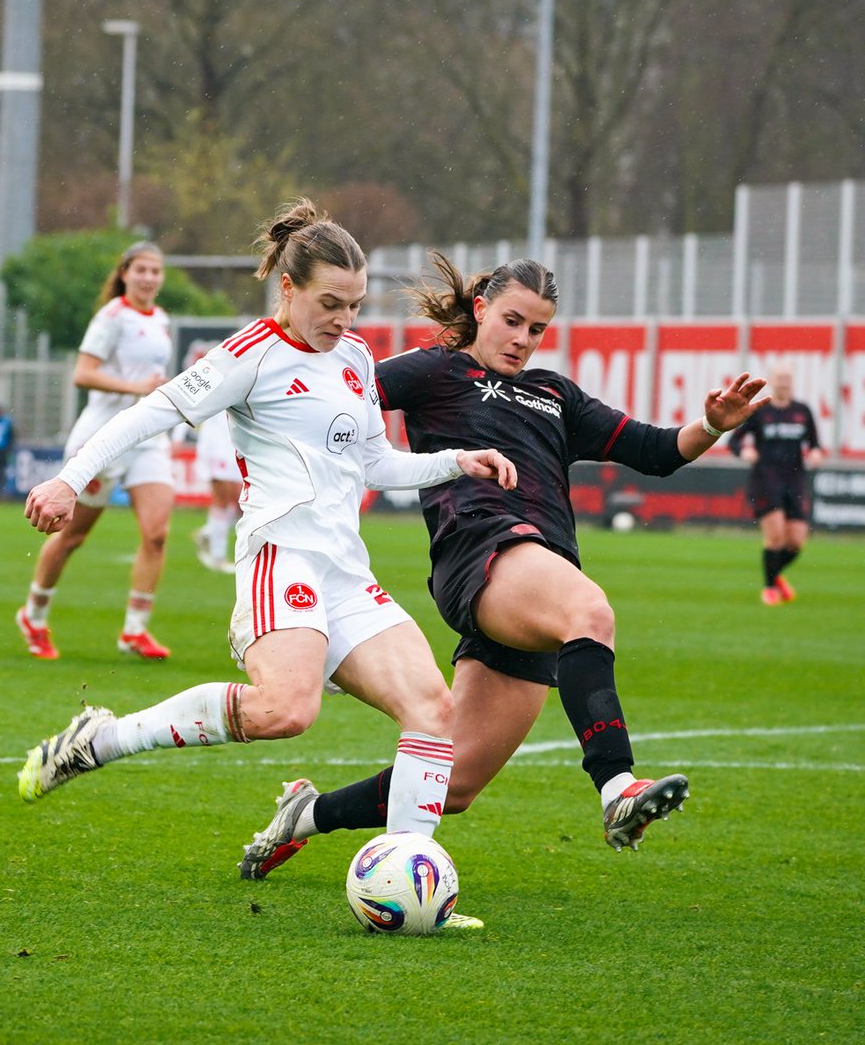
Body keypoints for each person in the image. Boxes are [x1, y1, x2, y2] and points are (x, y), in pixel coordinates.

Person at [16, 202, 516, 924]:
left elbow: (374, 460)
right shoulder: (250, 354)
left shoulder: (352, 359)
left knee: (433, 711)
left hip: (345, 569)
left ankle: (412, 888)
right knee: (287, 711)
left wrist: (453, 462)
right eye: (329, 304)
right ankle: (103, 738)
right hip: (280, 561)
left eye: (355, 305)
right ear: (288, 288)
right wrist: (68, 479)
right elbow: (148, 414)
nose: (344, 320)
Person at [238, 251, 770, 888]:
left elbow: (655, 452)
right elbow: (335, 400)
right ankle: (618, 787)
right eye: (512, 320)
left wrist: (711, 423)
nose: (522, 339)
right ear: (482, 307)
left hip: (535, 576)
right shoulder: (435, 371)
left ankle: (305, 815)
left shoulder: (555, 395)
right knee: (589, 612)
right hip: (480, 551)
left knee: (451, 781)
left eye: (537, 329)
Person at [15, 241, 175, 661]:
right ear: (124, 273)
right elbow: (83, 375)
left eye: (155, 271)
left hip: (148, 437)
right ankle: (33, 614)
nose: (148, 278)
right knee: (72, 536)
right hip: (103, 438)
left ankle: (134, 631)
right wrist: (136, 388)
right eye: (141, 269)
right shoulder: (111, 317)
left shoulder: (160, 318)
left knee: (157, 535)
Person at [727, 363, 823, 605]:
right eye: (780, 378)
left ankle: (775, 574)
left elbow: (814, 443)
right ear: (771, 380)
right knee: (776, 537)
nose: (784, 382)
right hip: (766, 480)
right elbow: (734, 441)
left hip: (795, 480)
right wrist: (744, 451)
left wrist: (816, 453)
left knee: (796, 541)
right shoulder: (761, 411)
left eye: (787, 378)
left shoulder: (803, 411)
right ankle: (769, 588)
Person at [192, 411, 242, 573]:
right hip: (217, 445)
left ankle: (208, 532)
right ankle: (217, 557)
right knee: (223, 497)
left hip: (236, 442)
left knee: (241, 503)